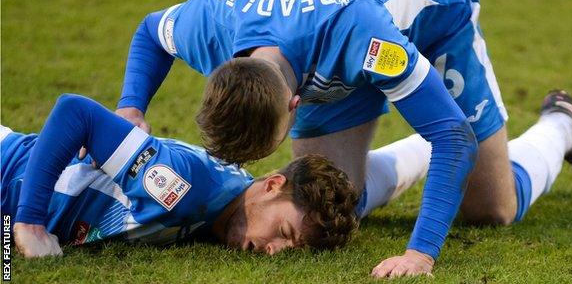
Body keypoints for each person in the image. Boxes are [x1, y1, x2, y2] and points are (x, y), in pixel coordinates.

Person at [112, 0, 572, 277]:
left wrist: (419, 253)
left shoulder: (361, 35)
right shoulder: (209, 23)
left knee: (491, 207)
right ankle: (420, 156)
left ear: (293, 103)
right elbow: (150, 32)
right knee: (336, 201)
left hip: (429, 6)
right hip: (321, 26)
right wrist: (131, 108)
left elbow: (452, 134)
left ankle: (563, 125)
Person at [0, 94, 359, 258]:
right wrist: (30, 223)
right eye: (284, 233)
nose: (274, 252)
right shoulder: (185, 184)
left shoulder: (228, 197)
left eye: (290, 250)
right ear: (272, 185)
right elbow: (74, 112)